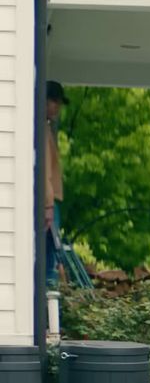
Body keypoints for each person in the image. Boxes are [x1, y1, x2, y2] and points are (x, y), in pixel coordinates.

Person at [42, 81, 67, 288]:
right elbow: (45, 172)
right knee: (50, 254)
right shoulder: (41, 130)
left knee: (51, 254)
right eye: (54, 101)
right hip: (49, 202)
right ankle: (48, 301)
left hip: (51, 200)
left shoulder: (46, 128)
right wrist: (48, 205)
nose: (57, 107)